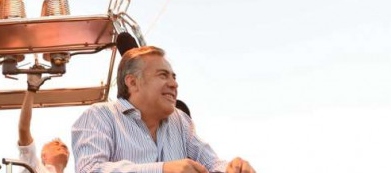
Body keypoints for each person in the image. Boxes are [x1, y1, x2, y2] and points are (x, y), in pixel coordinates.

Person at [71, 46, 255, 173]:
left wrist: (233, 168)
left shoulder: (180, 120)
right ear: (133, 82)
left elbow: (211, 164)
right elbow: (90, 169)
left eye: (174, 77)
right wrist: (163, 169)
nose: (174, 84)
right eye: (163, 75)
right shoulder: (99, 115)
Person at [17, 69, 70, 173]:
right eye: (55, 144)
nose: (62, 146)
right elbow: (23, 129)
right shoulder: (34, 166)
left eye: (65, 147)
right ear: (43, 155)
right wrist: (31, 89)